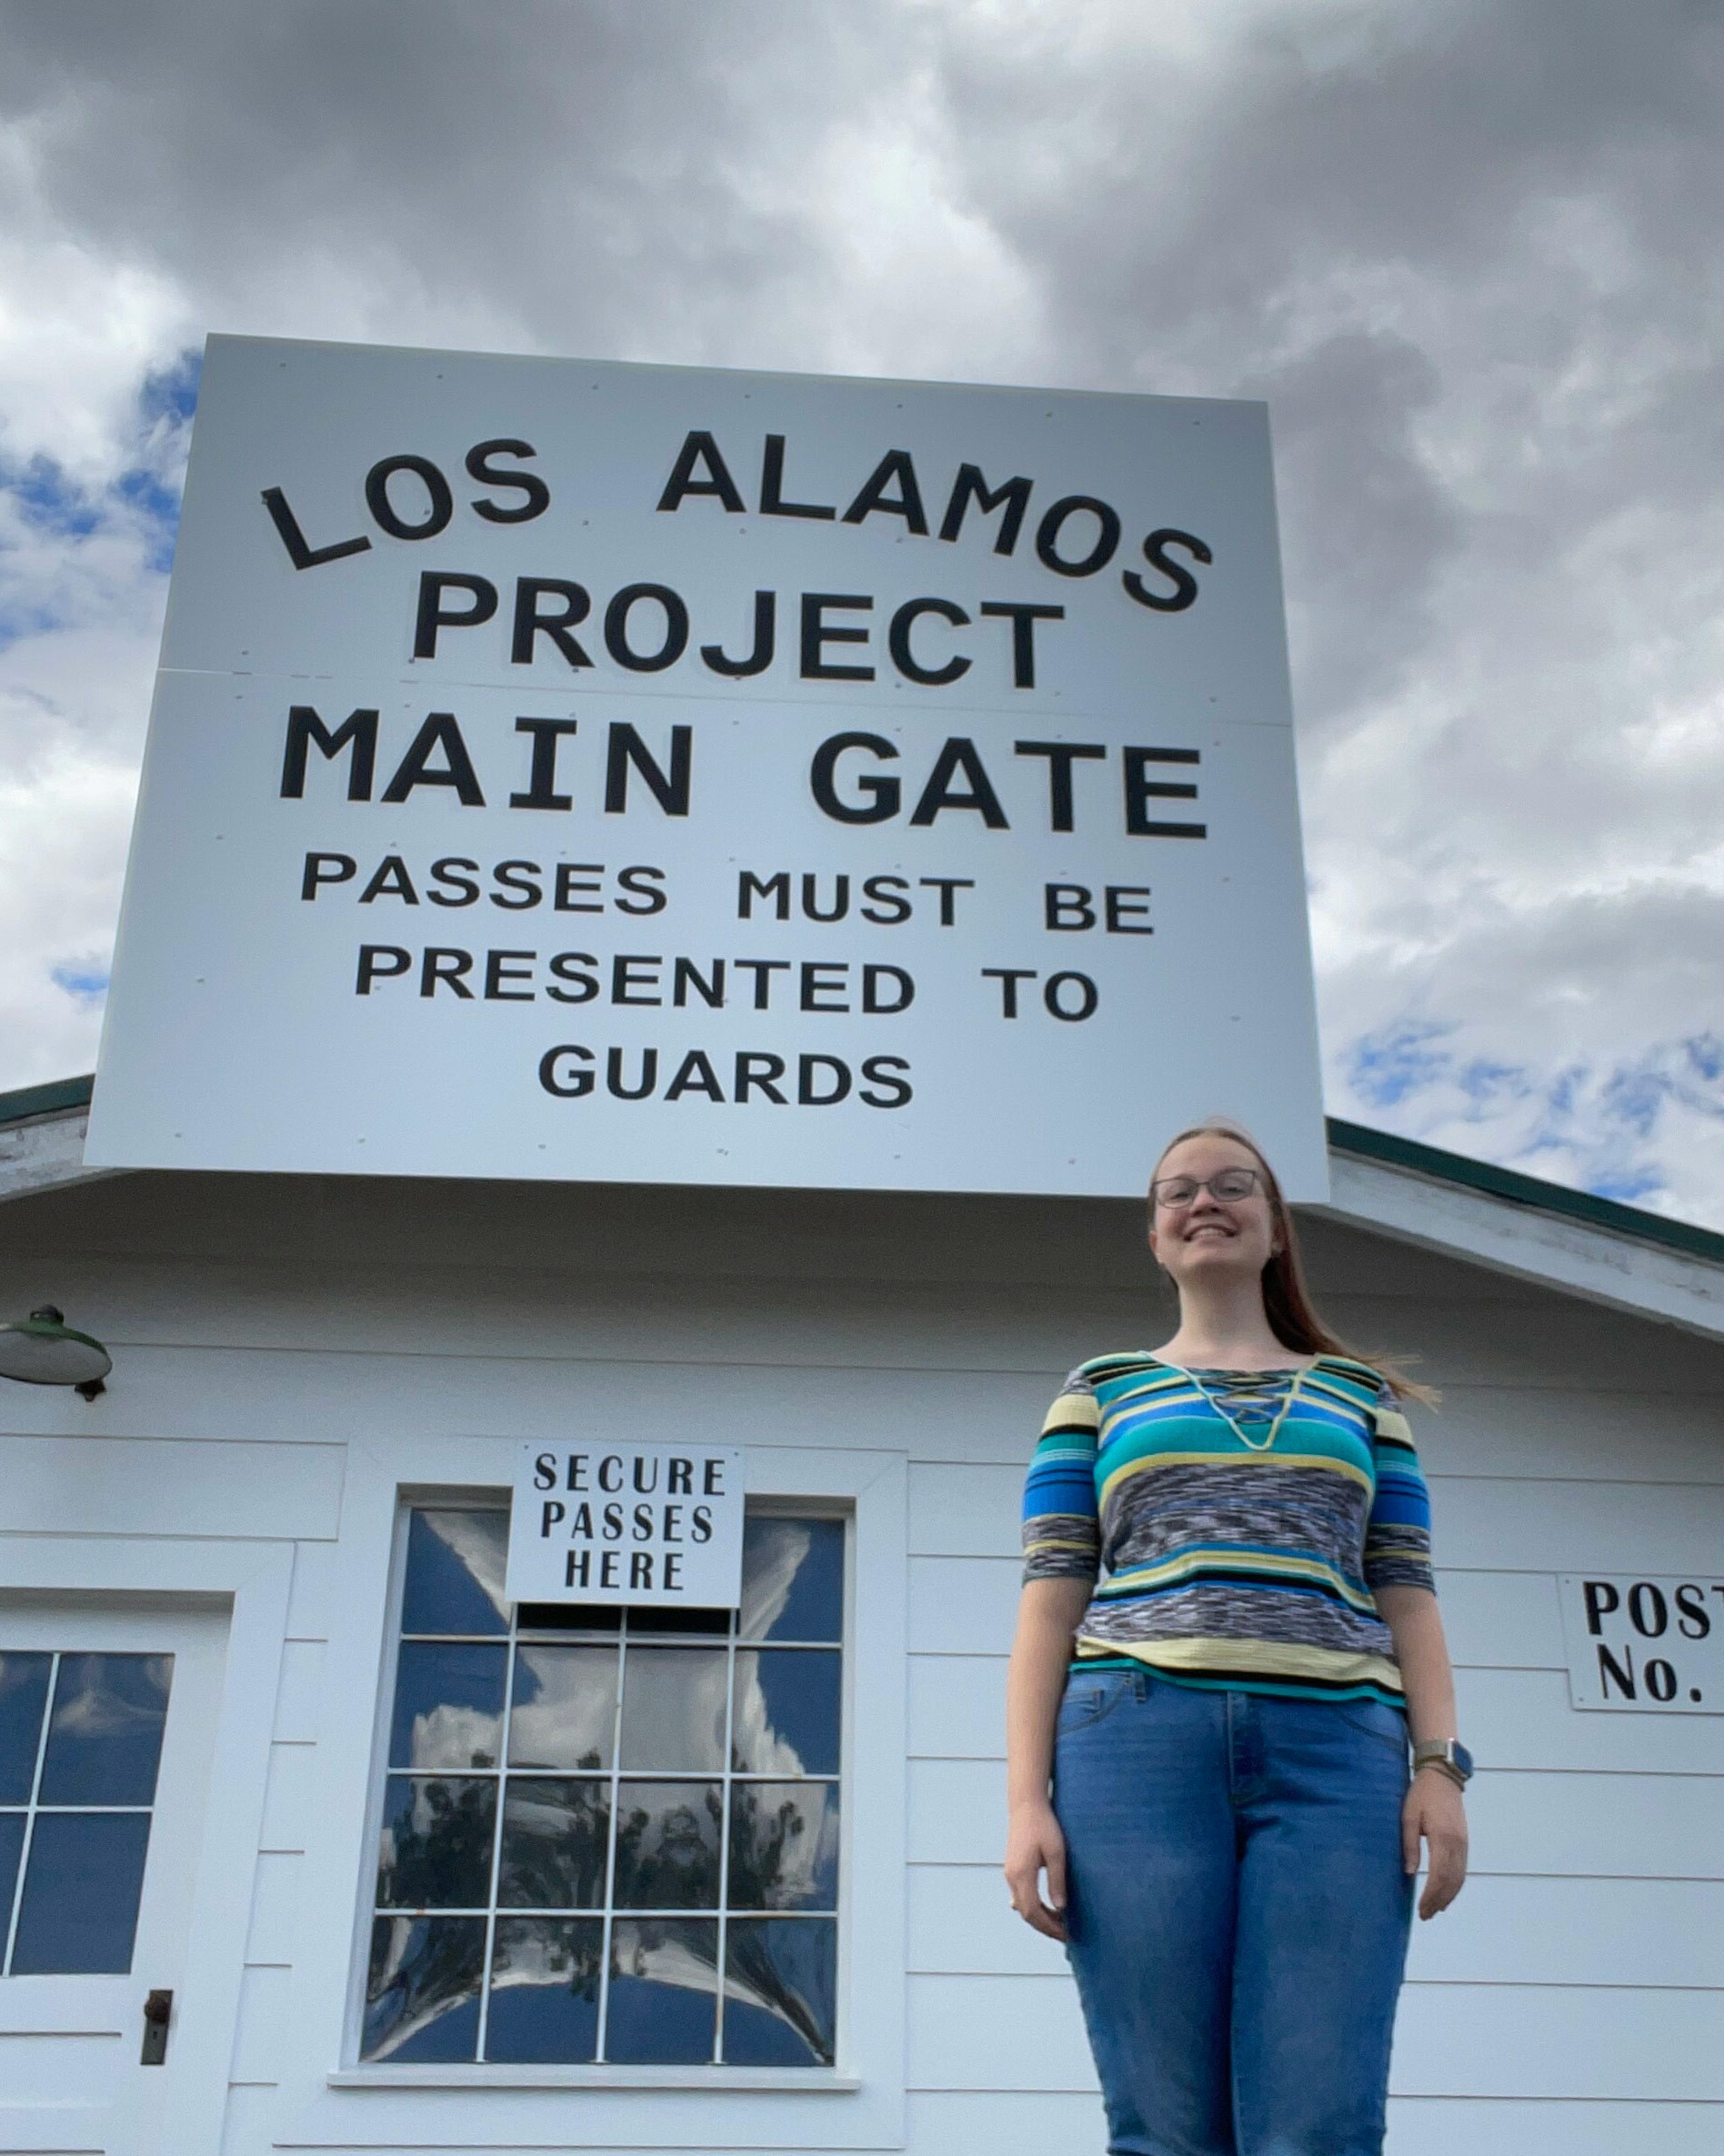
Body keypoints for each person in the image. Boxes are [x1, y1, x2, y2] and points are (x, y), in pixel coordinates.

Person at [1004, 1119, 1468, 2156]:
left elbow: (1409, 1592)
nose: (1204, 1200)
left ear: (1275, 1229)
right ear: (1157, 1235)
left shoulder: (1363, 1400)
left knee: (1320, 2123)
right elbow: (1049, 1597)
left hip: (1338, 1754)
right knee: (1165, 2127)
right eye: (1178, 1191)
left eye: (1233, 1185)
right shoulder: (1099, 1390)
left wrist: (1438, 1769)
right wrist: (1025, 1803)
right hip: (1132, 1746)